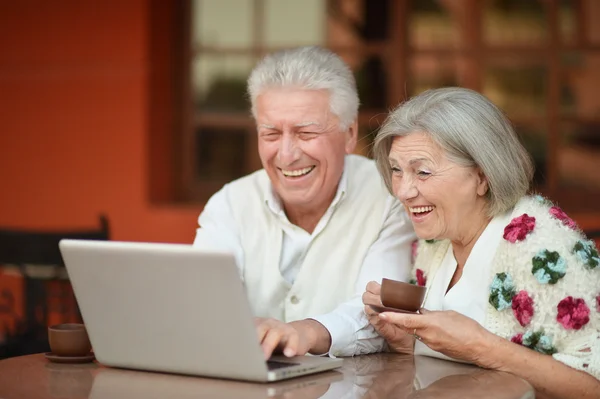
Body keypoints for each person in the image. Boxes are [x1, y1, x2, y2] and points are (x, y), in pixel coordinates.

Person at [363, 87, 600, 398]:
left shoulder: (544, 249)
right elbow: (455, 362)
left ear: (482, 176)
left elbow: (592, 386)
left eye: (422, 171)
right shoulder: (435, 241)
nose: (404, 192)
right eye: (397, 170)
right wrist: (405, 339)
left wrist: (481, 346)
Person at [193, 46, 415, 359]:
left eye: (306, 133)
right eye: (270, 134)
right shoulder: (229, 203)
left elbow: (381, 313)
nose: (286, 155)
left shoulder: (391, 197)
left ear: (350, 134)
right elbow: (201, 301)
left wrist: (307, 332)